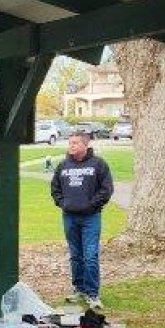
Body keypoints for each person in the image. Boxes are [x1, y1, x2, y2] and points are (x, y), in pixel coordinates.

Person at [51, 130, 114, 310]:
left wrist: (91, 205)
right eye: (70, 142)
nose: (71, 145)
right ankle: (79, 288)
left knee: (90, 255)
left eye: (75, 143)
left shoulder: (98, 164)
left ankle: (92, 294)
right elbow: (55, 188)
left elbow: (106, 189)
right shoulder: (63, 166)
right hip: (69, 217)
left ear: (86, 145)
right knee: (75, 255)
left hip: (91, 217)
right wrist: (63, 203)